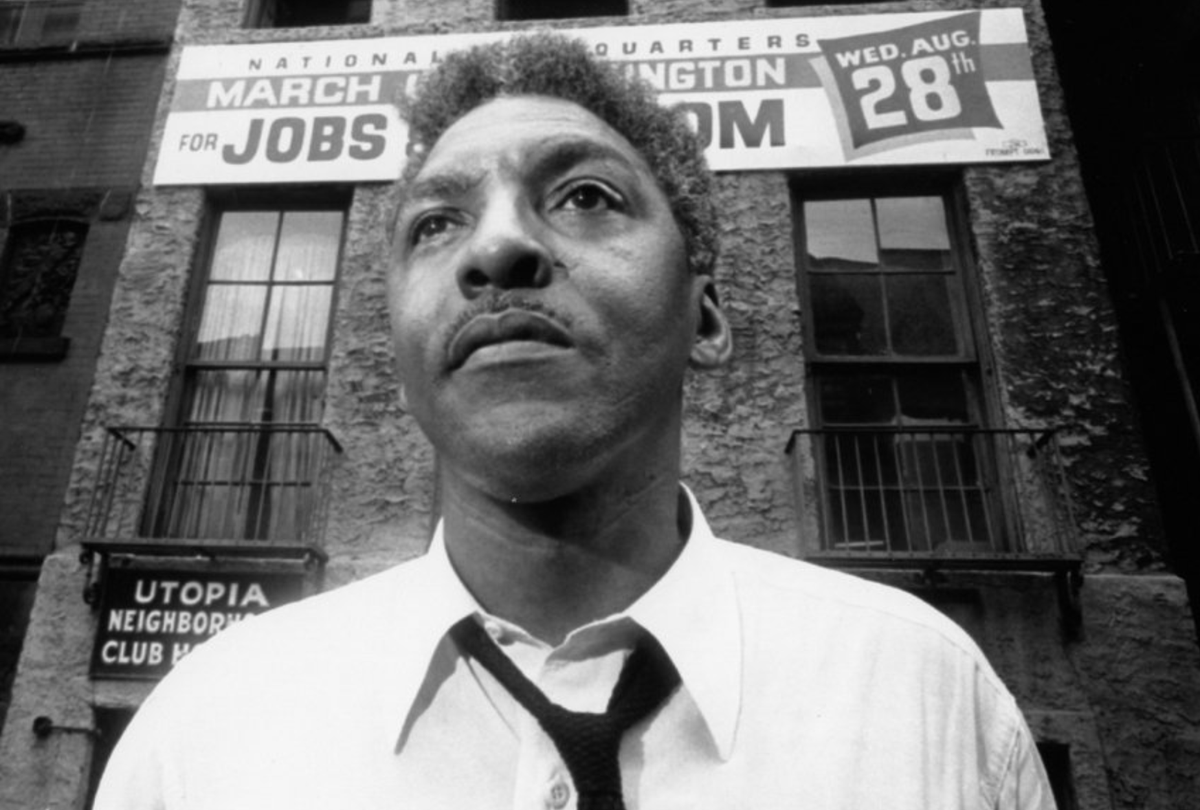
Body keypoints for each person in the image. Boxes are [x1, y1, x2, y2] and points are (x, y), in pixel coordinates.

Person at [97, 33, 1055, 810]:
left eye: (586, 197)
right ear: (395, 352)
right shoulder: (204, 734)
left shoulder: (929, 700)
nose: (500, 244)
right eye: (437, 222)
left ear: (708, 318)